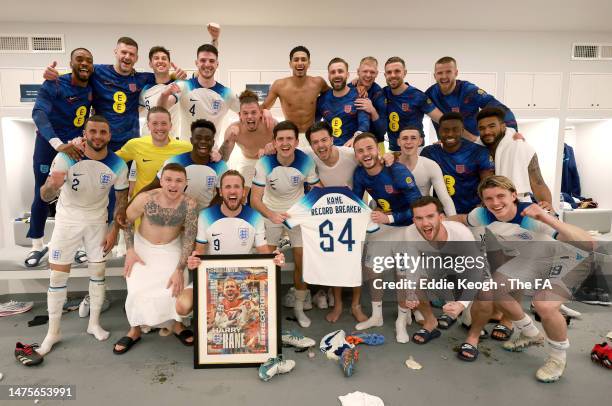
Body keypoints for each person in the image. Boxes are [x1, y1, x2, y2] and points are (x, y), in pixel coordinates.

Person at [453, 176, 593, 383]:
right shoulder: (481, 214)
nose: (496, 203)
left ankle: (557, 358)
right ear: (483, 201)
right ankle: (529, 333)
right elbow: (461, 219)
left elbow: (587, 243)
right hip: (535, 257)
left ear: (513, 195)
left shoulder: (531, 215)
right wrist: (432, 220)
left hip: (570, 258)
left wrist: (547, 218)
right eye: (489, 198)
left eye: (501, 196)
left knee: (544, 305)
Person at [34, 115, 129, 356]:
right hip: (67, 221)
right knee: (57, 275)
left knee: (98, 272)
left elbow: (121, 203)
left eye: (103, 132)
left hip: (97, 222)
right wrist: (52, 186)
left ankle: (94, 323)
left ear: (109, 135)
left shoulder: (118, 164)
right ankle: (53, 332)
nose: (98, 136)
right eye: (93, 131)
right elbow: (45, 197)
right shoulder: (67, 156)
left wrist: (114, 229)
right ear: (85, 134)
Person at [175, 170, 284, 319]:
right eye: (227, 187)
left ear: (243, 191)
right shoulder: (206, 215)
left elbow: (264, 251)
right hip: (214, 275)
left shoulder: (255, 216)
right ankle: (205, 319)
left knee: (266, 303)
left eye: (236, 186)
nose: (232, 190)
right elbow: (199, 252)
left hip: (244, 278)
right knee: (182, 306)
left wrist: (275, 257)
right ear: (220, 192)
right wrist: (194, 260)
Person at [114, 163, 198, 354]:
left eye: (178, 181)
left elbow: (189, 237)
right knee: (136, 289)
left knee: (175, 287)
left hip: (171, 248)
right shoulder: (146, 198)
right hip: (142, 248)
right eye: (168, 179)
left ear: (185, 184)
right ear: (161, 181)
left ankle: (176, 324)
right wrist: (130, 250)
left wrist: (179, 269)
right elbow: (125, 221)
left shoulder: (190, 204)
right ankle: (134, 329)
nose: (173, 185)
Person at [25, 47, 94, 267]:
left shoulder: (93, 84)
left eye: (88, 60)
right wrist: (58, 144)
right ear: (71, 62)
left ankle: (81, 245)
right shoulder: (54, 83)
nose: (84, 63)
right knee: (42, 191)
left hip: (76, 145)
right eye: (79, 59)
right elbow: (38, 113)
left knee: (82, 194)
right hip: (49, 144)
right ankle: (37, 245)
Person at [250, 121, 322, 327]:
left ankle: (299, 308)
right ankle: (261, 307)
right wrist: (271, 215)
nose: (285, 143)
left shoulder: (306, 161)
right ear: (274, 142)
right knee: (266, 261)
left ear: (296, 141)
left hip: (297, 215)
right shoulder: (264, 162)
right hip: (269, 212)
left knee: (302, 260)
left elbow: (317, 192)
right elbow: (255, 199)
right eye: (280, 139)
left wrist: (333, 197)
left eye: (289, 138)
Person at [351, 132, 422, 333]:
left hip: (406, 227)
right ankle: (376, 316)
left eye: (369, 148)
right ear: (356, 155)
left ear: (378, 150)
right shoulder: (359, 173)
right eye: (360, 151)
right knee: (372, 270)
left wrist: (389, 218)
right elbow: (357, 202)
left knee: (402, 275)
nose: (365, 154)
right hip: (382, 226)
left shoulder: (397, 170)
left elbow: (418, 207)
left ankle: (402, 319)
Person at [304, 121, 368, 322]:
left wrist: (391, 156)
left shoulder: (350, 155)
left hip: (355, 214)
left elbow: (374, 160)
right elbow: (285, 149)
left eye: (324, 140)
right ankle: (338, 304)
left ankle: (356, 305)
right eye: (315, 142)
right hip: (328, 217)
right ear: (311, 145)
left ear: (332, 139)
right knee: (335, 261)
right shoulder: (309, 156)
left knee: (356, 261)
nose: (321, 145)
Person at [159, 44, 258, 148]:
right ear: (196, 63)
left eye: (211, 61)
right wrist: (164, 94)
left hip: (211, 155)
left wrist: (264, 112)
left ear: (217, 64)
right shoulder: (184, 86)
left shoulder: (226, 93)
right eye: (202, 60)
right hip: (186, 153)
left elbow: (249, 112)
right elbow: (162, 107)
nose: (207, 64)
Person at [140, 25, 221, 140]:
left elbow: (204, 69)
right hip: (146, 141)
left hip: (170, 143)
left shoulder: (180, 85)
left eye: (164, 58)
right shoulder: (145, 89)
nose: (160, 61)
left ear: (169, 63)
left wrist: (214, 41)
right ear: (150, 64)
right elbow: (137, 110)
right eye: (156, 58)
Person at [425, 56, 516, 142]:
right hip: (447, 146)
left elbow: (498, 107)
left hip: (474, 145)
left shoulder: (469, 91)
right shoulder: (430, 95)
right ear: (435, 76)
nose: (444, 76)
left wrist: (512, 133)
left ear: (456, 73)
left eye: (448, 72)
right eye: (440, 73)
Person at [476, 107, 552, 206]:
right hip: (487, 206)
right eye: (482, 128)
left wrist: (548, 208)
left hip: (518, 205)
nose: (487, 132)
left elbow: (538, 183)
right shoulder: (475, 149)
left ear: (503, 126)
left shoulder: (520, 147)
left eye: (492, 126)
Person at [421, 112, 494, 214]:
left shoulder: (478, 152)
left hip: (472, 212)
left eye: (455, 130)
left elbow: (488, 183)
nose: (450, 134)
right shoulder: (429, 152)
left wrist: (483, 206)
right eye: (445, 130)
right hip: (442, 213)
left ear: (462, 131)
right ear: (439, 131)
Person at [115, 106, 192, 197]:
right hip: (141, 205)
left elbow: (204, 155)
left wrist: (213, 154)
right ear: (148, 125)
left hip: (170, 206)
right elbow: (109, 160)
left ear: (170, 125)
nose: (159, 128)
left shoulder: (185, 148)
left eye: (164, 123)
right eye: (155, 123)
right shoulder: (135, 145)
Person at [262, 46, 329, 144]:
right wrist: (265, 111)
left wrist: (356, 83)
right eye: (296, 60)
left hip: (311, 135)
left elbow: (336, 94)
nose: (300, 63)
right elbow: (264, 107)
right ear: (290, 64)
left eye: (303, 59)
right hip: (290, 135)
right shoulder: (279, 85)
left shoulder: (318, 83)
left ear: (309, 63)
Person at [156, 119, 228, 210]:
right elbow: (155, 186)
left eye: (207, 139)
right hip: (175, 216)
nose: (203, 142)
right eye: (198, 138)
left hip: (204, 217)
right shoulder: (175, 161)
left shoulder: (221, 166)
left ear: (213, 142)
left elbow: (223, 195)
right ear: (191, 140)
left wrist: (206, 213)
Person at [386, 127, 456, 216]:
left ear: (420, 141)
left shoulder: (431, 165)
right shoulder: (388, 164)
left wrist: (454, 222)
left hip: (422, 217)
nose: (408, 142)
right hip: (394, 216)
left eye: (413, 138)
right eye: (405, 138)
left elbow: (445, 199)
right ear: (398, 142)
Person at [220, 90, 275, 195]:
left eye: (254, 112)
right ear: (240, 115)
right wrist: (228, 140)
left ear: (260, 112)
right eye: (245, 113)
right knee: (241, 195)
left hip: (268, 161)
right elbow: (224, 159)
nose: (249, 116)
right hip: (247, 162)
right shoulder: (234, 129)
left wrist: (272, 147)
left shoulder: (271, 124)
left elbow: (284, 147)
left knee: (271, 194)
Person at [383, 57, 443, 151]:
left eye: (397, 71)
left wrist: (444, 138)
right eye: (389, 72)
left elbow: (442, 119)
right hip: (393, 150)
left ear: (405, 73)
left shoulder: (417, 96)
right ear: (385, 75)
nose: (393, 75)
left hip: (416, 150)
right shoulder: (383, 93)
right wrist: (358, 81)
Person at [315, 57, 370, 147]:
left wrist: (356, 137)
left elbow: (364, 123)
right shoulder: (322, 99)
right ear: (329, 76)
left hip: (352, 150)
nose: (337, 75)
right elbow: (314, 125)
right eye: (333, 72)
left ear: (347, 74)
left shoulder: (359, 95)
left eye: (340, 71)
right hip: (329, 151)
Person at [349, 57, 387, 145]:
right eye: (365, 71)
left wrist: (372, 111)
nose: (368, 75)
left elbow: (382, 131)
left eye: (372, 72)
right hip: (349, 143)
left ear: (377, 74)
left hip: (375, 144)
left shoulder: (380, 94)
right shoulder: (349, 88)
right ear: (358, 72)